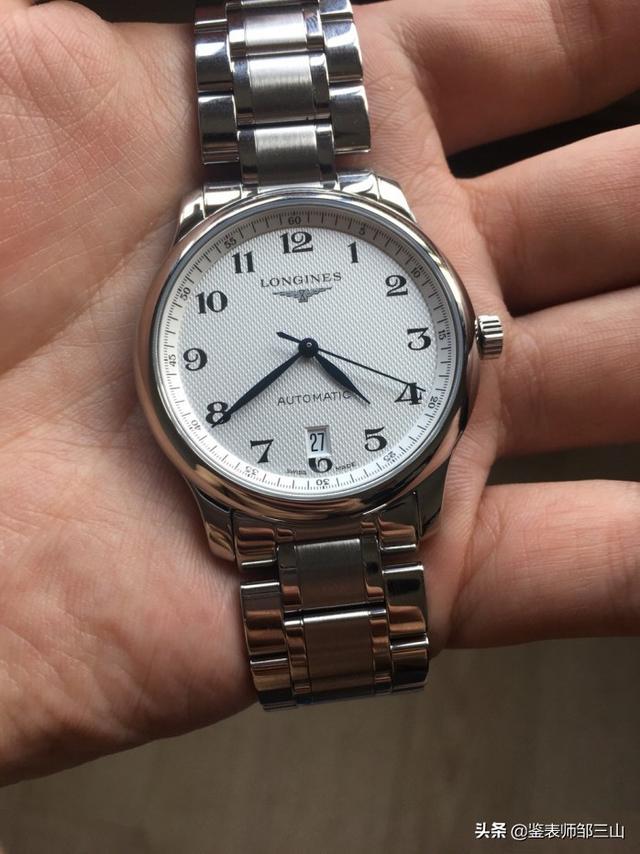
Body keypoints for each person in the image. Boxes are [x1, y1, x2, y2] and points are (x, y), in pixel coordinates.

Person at [0, 0, 638, 783]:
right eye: (304, 345)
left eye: (314, 344)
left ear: (476, 336)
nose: (307, 349)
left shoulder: (364, 233)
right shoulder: (221, 234)